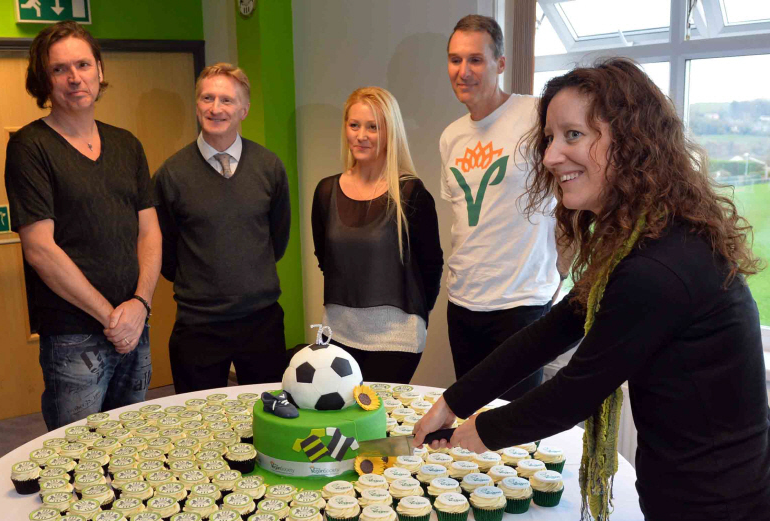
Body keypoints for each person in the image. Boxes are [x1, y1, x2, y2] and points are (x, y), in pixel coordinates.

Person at [414, 58, 770, 520]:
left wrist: (474, 431)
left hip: (718, 504)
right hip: (690, 491)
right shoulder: (645, 241)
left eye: (573, 135)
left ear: (631, 143)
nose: (549, 156)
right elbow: (553, 329)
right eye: (549, 138)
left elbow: (573, 393)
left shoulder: (659, 265)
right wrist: (452, 402)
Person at [4, 21, 161, 431]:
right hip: (74, 335)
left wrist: (140, 305)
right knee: (76, 452)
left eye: (83, 64)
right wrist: (112, 317)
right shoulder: (29, 147)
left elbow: (150, 231)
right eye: (59, 69)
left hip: (135, 322)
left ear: (100, 70)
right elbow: (40, 249)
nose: (75, 78)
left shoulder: (127, 144)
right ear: (44, 79)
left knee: (132, 442)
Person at [440, 15, 571, 398]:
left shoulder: (534, 116)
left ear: (500, 64)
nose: (463, 71)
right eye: (455, 59)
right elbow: (462, 219)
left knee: (513, 430)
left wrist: (560, 271)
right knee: (470, 421)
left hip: (522, 303)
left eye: (476, 60)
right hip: (463, 302)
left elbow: (571, 196)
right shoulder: (451, 137)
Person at [154, 63, 291, 393]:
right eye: (207, 98)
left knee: (269, 419)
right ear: (197, 104)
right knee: (199, 424)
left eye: (227, 101)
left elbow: (278, 238)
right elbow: (165, 252)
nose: (216, 108)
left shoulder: (269, 167)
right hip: (198, 325)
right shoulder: (171, 174)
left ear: (244, 109)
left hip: (261, 321)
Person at [311, 87, 443, 383]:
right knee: (340, 422)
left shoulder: (411, 194)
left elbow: (431, 266)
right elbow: (326, 259)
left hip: (396, 338)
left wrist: (415, 317)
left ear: (390, 133)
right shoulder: (325, 191)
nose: (361, 135)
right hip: (338, 333)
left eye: (373, 127)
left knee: (378, 425)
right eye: (354, 125)